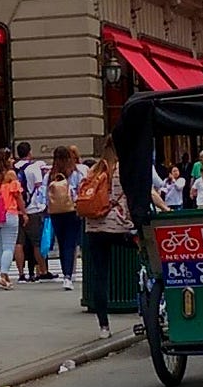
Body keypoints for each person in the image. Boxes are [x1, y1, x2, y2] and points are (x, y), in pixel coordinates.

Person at [79, 136, 133, 341]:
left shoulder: (94, 169)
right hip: (119, 227)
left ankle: (103, 326)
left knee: (101, 277)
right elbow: (140, 193)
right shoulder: (122, 169)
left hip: (93, 228)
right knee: (145, 256)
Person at [46, 147, 83, 291]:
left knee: (61, 243)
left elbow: (44, 192)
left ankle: (66, 274)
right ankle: (69, 275)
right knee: (70, 243)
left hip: (56, 212)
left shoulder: (51, 174)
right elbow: (80, 189)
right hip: (72, 210)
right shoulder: (75, 173)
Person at [0, 150, 23, 287]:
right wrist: (23, 212)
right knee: (9, 246)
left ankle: (4, 275)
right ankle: (3, 274)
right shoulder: (11, 175)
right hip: (9, 212)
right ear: (6, 160)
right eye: (11, 158)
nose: (13, 160)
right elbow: (18, 196)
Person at [18, 142, 52, 279]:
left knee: (18, 243)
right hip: (32, 209)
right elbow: (39, 188)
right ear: (29, 152)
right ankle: (42, 270)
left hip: (17, 210)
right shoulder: (33, 168)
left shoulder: (12, 168)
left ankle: (21, 273)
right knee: (37, 242)